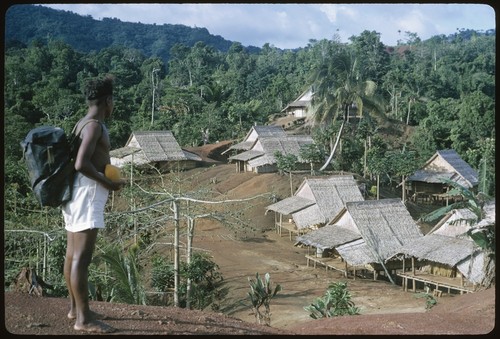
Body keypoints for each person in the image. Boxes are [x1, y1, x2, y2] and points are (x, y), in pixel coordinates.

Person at [62, 74, 125, 333]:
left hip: (75, 193)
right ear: (107, 100)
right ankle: (83, 321)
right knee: (81, 258)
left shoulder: (82, 123)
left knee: (71, 254)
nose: (113, 107)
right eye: (113, 102)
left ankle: (76, 309)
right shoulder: (94, 126)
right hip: (87, 193)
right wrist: (109, 183)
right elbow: (81, 163)